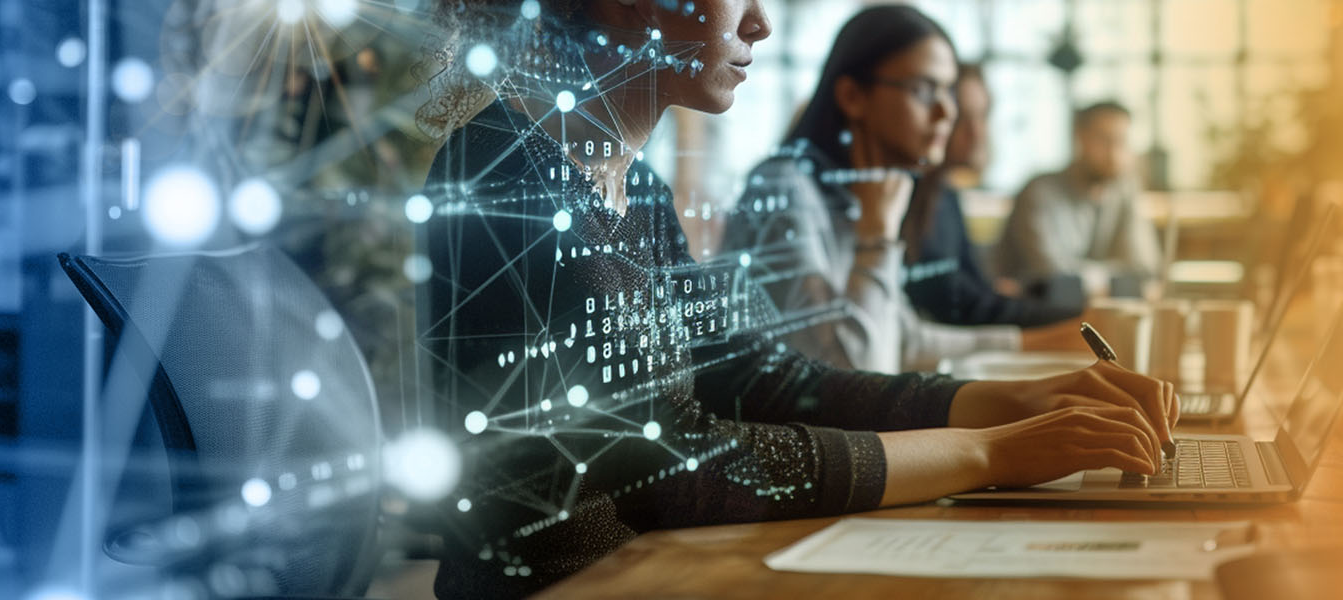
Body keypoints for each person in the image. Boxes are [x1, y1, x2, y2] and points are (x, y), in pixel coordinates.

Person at [418, 1, 1174, 596]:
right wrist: (990, 452)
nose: (760, 22)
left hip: (656, 572)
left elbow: (751, 378)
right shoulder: (508, 178)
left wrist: (1011, 401)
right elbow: (674, 470)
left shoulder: (634, 188)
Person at [723, 6, 1075, 373]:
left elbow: (904, 339)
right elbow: (847, 374)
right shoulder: (784, 189)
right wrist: (876, 240)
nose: (946, 112)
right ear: (852, 96)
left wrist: (1054, 339)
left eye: (948, 90)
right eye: (923, 89)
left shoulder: (859, 193)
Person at [901, 63, 1090, 328]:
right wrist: (1078, 318)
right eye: (962, 117)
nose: (977, 132)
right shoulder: (912, 196)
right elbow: (961, 306)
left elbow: (978, 291)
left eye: (982, 116)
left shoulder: (945, 193)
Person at [990, 101, 1162, 288]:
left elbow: (1144, 269)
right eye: (1103, 140)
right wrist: (1116, 279)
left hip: (1091, 313)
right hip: (1031, 313)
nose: (1114, 153)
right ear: (1079, 137)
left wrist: (1092, 277)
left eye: (1122, 141)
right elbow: (1052, 275)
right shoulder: (1039, 192)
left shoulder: (1124, 190)